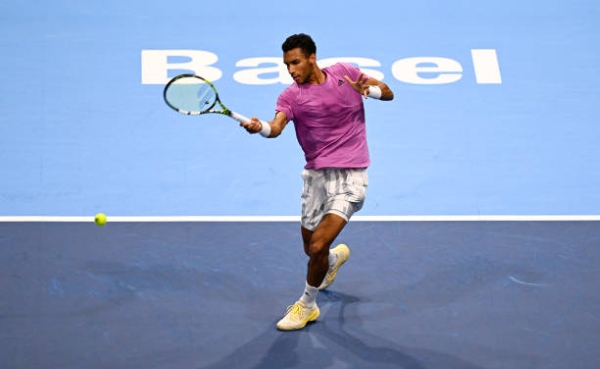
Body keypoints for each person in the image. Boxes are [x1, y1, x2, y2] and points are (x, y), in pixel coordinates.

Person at [241, 33, 394, 331]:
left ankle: (307, 306)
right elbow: (276, 128)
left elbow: (388, 93)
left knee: (319, 244)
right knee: (312, 249)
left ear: (312, 57)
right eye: (287, 65)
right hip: (316, 178)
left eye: (296, 62)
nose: (291, 70)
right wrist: (260, 128)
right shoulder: (291, 96)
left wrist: (369, 91)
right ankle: (332, 261)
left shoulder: (344, 73)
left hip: (352, 174)